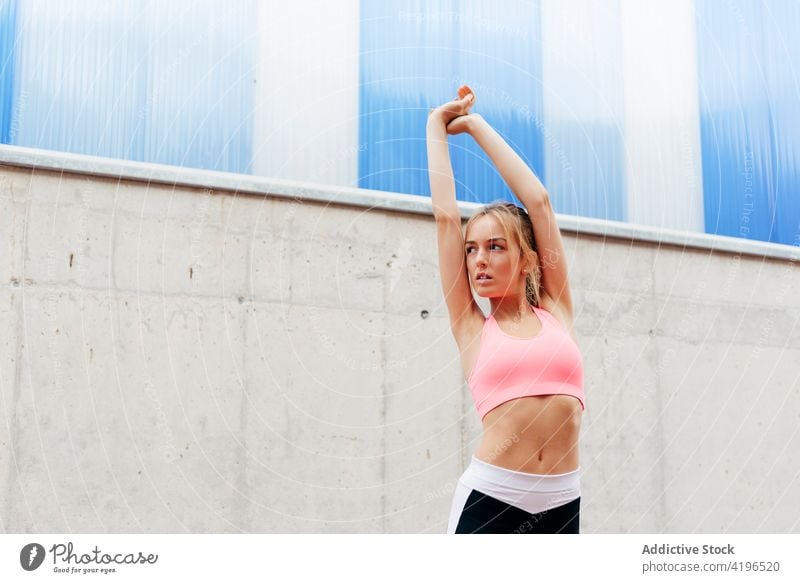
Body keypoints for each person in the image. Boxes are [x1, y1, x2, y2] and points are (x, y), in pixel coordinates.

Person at [426, 85, 585, 534]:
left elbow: (539, 202)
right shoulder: (471, 327)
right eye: (472, 248)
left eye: (496, 247)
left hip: (562, 501)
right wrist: (436, 124)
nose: (479, 258)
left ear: (529, 259)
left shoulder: (557, 308)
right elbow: (444, 218)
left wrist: (475, 125)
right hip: (491, 500)